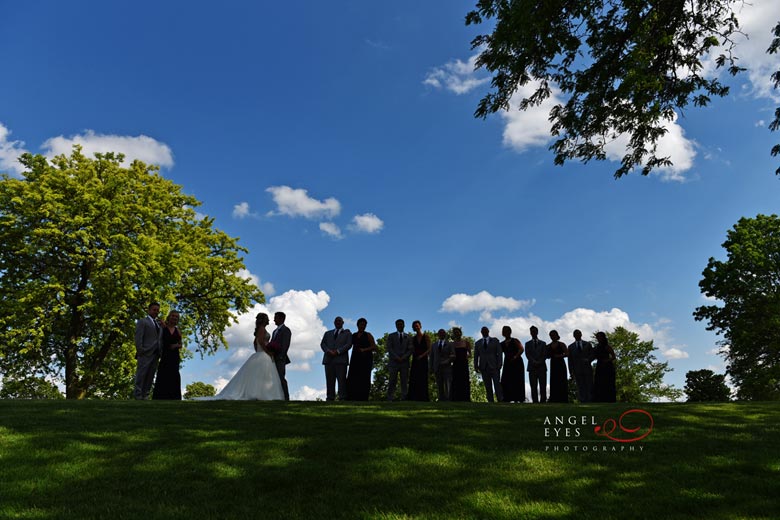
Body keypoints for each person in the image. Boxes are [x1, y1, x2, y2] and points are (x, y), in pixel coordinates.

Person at [204, 313, 284, 400]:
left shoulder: (261, 329)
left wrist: (259, 351)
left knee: (260, 376)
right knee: (262, 375)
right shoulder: (261, 329)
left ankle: (260, 393)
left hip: (260, 353)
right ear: (264, 320)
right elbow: (260, 341)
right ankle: (261, 394)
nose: (269, 320)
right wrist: (266, 351)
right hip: (263, 354)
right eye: (267, 319)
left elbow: (255, 342)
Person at [134, 302, 163, 400]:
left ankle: (145, 395)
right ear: (149, 310)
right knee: (141, 375)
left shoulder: (159, 324)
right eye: (154, 310)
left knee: (150, 376)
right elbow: (138, 337)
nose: (156, 312)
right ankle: (138, 395)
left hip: (156, 354)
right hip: (145, 353)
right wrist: (141, 350)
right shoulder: (143, 321)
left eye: (157, 310)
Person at [152, 310, 183, 400]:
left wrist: (176, 345)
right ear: (169, 316)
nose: (174, 318)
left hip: (175, 356)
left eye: (176, 317)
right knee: (163, 374)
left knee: (174, 375)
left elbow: (181, 344)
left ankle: (174, 397)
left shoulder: (178, 331)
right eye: (173, 316)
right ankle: (160, 397)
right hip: (165, 355)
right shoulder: (163, 327)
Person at [320, 316, 352, 401]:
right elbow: (322, 344)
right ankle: (330, 397)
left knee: (341, 381)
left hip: (341, 361)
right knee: (329, 381)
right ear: (334, 322)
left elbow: (348, 345)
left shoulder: (348, 334)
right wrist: (328, 351)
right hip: (328, 360)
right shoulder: (327, 333)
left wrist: (338, 351)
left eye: (339, 321)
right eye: (336, 321)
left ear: (343, 322)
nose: (338, 322)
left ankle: (342, 398)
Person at [346, 317, 377, 401]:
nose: (363, 326)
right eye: (361, 324)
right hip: (355, 359)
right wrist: (347, 332)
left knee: (364, 378)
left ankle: (363, 398)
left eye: (364, 325)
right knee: (353, 378)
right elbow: (348, 343)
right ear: (357, 325)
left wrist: (364, 349)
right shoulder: (354, 335)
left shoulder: (368, 335)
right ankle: (351, 398)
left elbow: (374, 347)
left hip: (365, 360)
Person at [475, 326, 503, 403]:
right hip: (483, 367)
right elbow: (476, 355)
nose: (484, 332)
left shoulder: (495, 341)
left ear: (488, 331)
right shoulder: (477, 343)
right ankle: (490, 401)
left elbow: (500, 353)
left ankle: (500, 400)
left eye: (485, 330)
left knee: (497, 384)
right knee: (487, 386)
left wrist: (500, 364)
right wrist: (475, 366)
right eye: (482, 330)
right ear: (481, 332)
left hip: (494, 366)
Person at [386, 319, 412, 401]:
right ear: (396, 326)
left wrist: (404, 357)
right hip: (393, 362)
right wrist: (396, 357)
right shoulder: (391, 336)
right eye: (398, 324)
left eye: (401, 324)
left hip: (404, 362)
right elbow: (389, 348)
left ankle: (404, 398)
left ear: (404, 325)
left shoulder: (408, 337)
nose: (400, 325)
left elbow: (410, 349)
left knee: (404, 381)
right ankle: (390, 398)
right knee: (392, 381)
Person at [500, 325, 525, 403]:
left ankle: (518, 398)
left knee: (517, 380)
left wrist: (515, 356)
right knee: (506, 380)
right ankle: (507, 398)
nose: (505, 332)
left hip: (517, 362)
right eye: (503, 331)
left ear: (510, 332)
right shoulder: (502, 343)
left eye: (506, 331)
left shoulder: (515, 340)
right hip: (507, 363)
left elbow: (521, 349)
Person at [270, 311, 292, 401]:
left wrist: (281, 356)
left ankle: (286, 397)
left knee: (280, 377)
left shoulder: (286, 330)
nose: (274, 319)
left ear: (281, 319)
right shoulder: (274, 331)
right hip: (273, 357)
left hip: (280, 358)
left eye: (276, 317)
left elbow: (285, 344)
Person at [407, 320, 431, 401]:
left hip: (423, 360)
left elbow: (429, 349)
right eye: (414, 326)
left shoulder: (426, 336)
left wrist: (422, 356)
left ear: (420, 326)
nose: (416, 327)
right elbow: (412, 349)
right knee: (414, 378)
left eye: (417, 325)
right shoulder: (413, 338)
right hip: (415, 360)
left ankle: (423, 398)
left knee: (423, 378)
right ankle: (413, 397)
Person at [568, 329, 594, 403]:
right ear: (573, 336)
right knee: (580, 386)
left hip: (587, 368)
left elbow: (592, 354)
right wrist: (571, 372)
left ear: (581, 334)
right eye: (576, 334)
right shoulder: (571, 347)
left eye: (579, 333)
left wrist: (588, 360)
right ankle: (582, 400)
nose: (577, 335)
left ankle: (590, 400)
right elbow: (570, 361)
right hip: (577, 370)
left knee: (589, 385)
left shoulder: (587, 344)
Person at [430, 328, 454, 401]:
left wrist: (447, 360)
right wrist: (430, 368)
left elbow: (453, 355)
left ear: (445, 334)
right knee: (439, 384)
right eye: (440, 333)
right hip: (437, 367)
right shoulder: (434, 345)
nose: (441, 334)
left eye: (443, 333)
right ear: (438, 335)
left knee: (447, 384)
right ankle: (441, 399)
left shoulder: (450, 344)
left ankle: (448, 399)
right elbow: (431, 357)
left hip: (447, 367)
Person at [525, 326, 548, 403]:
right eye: (532, 331)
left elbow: (545, 355)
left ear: (537, 332)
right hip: (532, 367)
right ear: (530, 333)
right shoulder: (527, 344)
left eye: (534, 331)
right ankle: (535, 401)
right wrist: (533, 361)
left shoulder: (543, 343)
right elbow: (527, 354)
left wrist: (539, 362)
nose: (533, 333)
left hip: (542, 367)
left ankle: (543, 401)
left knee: (543, 385)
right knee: (533, 386)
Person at [592, 331, 617, 402]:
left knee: (608, 382)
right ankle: (600, 399)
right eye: (597, 337)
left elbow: (613, 357)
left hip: (607, 367)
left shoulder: (607, 346)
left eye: (599, 337)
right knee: (599, 382)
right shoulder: (597, 347)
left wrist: (607, 360)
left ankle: (610, 399)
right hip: (599, 366)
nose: (598, 338)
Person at [547, 330, 569, 403]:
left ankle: (563, 398)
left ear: (557, 335)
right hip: (553, 364)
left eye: (553, 335)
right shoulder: (548, 346)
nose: (552, 336)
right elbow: (547, 355)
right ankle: (554, 398)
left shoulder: (562, 344)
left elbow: (567, 354)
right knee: (554, 381)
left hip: (561, 364)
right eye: (551, 335)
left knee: (562, 380)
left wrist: (560, 356)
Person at [450, 327, 471, 401]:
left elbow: (470, 354)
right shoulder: (452, 344)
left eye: (458, 332)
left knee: (464, 380)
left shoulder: (466, 342)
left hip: (464, 364)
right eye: (455, 332)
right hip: (455, 363)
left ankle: (465, 398)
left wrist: (466, 357)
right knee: (456, 380)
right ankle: (455, 398)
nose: (456, 333)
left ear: (460, 333)